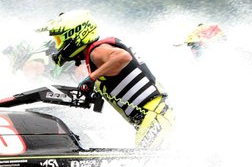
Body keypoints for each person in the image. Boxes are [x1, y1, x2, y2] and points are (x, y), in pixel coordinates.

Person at [39, 9, 173, 149]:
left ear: (76, 34)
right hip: (153, 117)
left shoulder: (97, 51)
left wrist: (91, 78)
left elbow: (123, 57)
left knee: (145, 163)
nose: (58, 45)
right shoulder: (98, 52)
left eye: (59, 39)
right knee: (145, 161)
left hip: (155, 115)